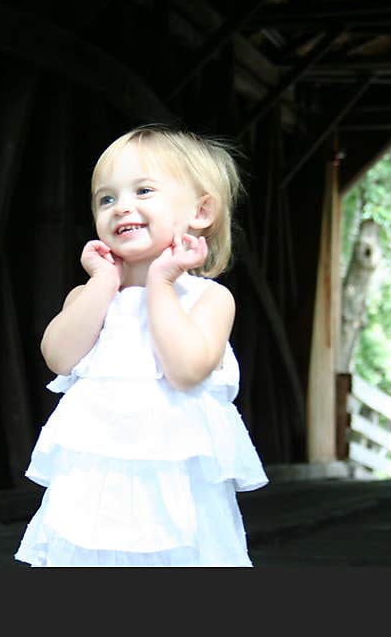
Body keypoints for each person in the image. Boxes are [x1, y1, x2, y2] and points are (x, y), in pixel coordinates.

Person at [14, 124, 268, 567]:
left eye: (143, 190)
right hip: (94, 492)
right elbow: (58, 357)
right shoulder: (93, 295)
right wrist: (105, 281)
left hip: (175, 496)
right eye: (106, 198)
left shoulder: (207, 299)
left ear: (201, 211)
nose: (121, 207)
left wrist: (161, 283)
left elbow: (186, 370)